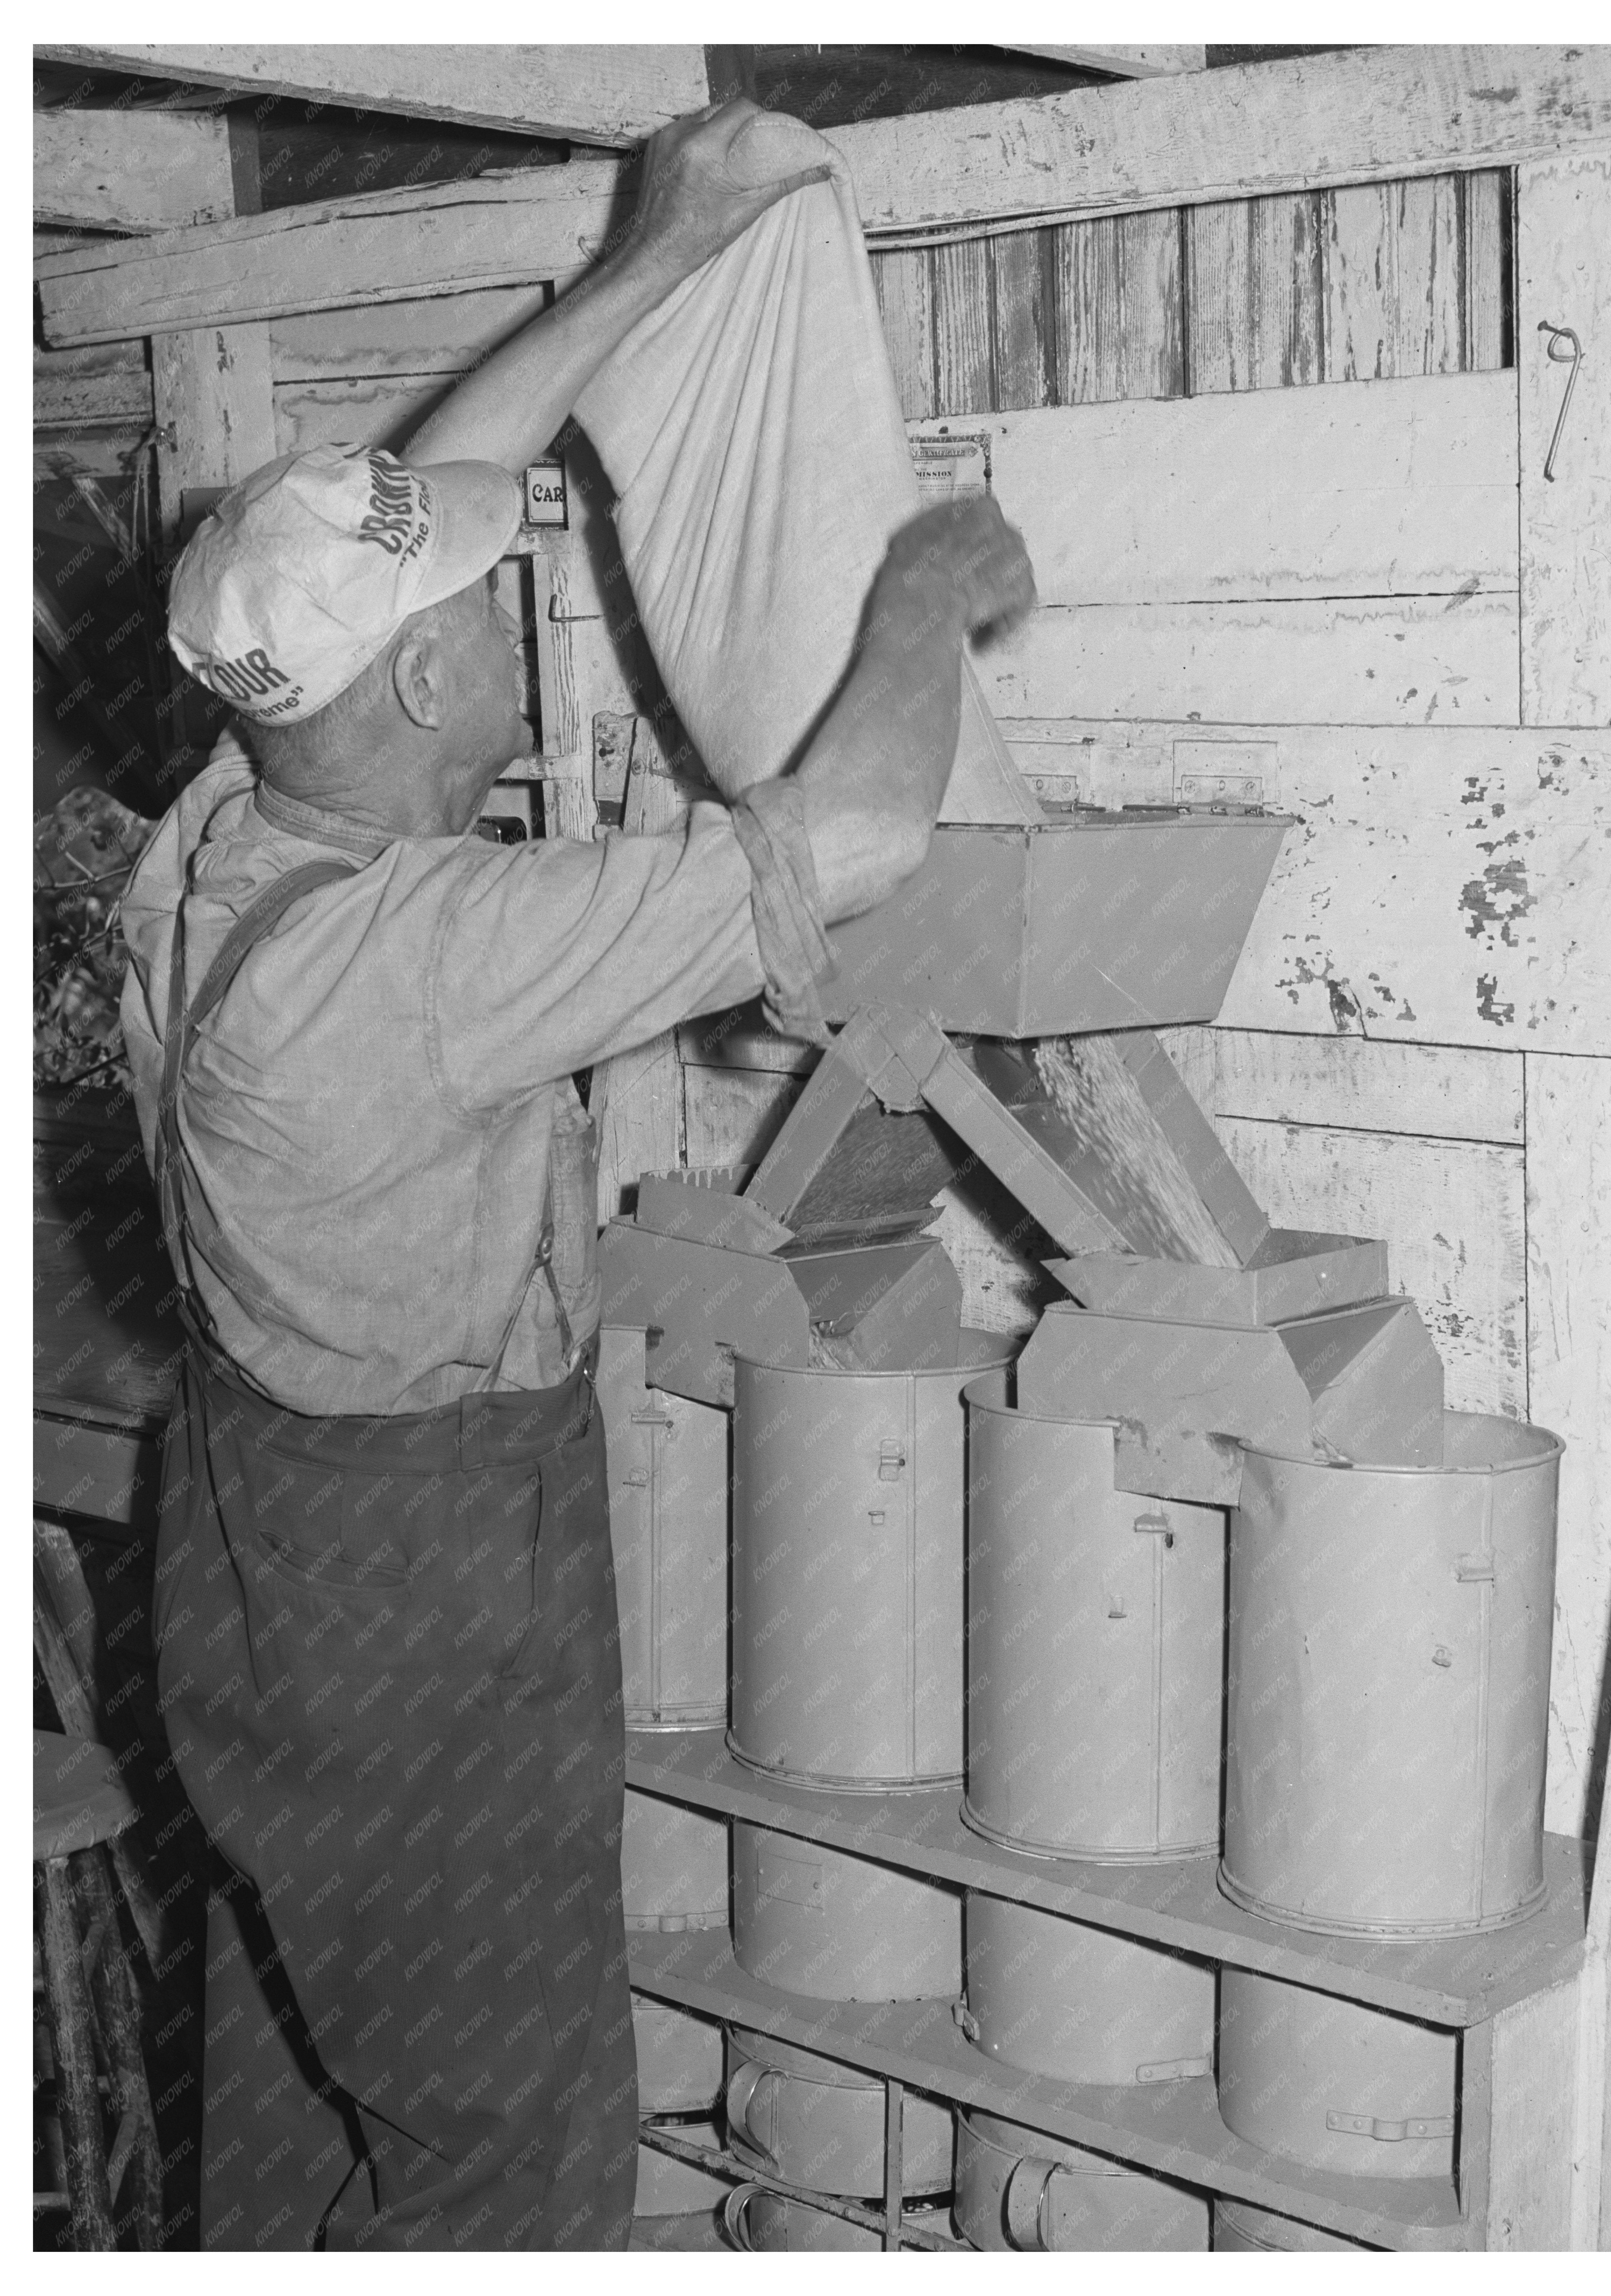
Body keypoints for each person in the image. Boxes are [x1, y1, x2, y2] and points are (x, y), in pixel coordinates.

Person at [119, 98, 1035, 2253]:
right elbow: (855, 841)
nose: (500, 580)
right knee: (504, 2152)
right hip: (423, 1599)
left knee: (301, 2071)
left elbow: (411, 498)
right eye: (474, 589)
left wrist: (658, 252)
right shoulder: (426, 957)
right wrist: (922, 583)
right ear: (434, 673)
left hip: (259, 1544)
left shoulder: (223, 822)